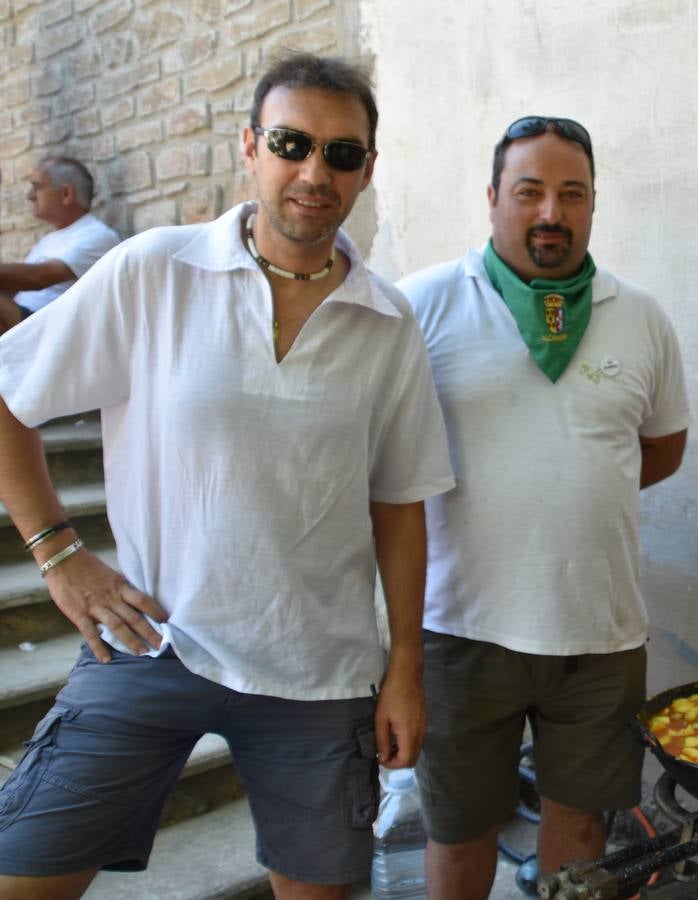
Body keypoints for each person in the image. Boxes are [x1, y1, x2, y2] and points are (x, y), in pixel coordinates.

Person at [0, 52, 456, 899]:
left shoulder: (388, 322)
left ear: (366, 170)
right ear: (251, 147)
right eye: (292, 142)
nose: (315, 172)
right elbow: (8, 396)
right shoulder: (153, 270)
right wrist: (61, 557)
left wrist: (405, 670)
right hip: (153, 642)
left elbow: (398, 505)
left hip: (318, 674)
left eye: (342, 153)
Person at [398, 116, 690, 900]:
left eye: (572, 194)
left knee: (583, 835)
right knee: (461, 835)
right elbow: (380, 462)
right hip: (461, 629)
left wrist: (568, 490)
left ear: (595, 204)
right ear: (493, 199)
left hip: (598, 635)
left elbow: (660, 448)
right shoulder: (421, 305)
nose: (551, 212)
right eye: (529, 192)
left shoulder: (642, 317)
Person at [0, 157, 120, 331]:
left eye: (37, 187)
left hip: (50, 331)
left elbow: (39, 278)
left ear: (66, 194)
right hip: (25, 324)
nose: (30, 196)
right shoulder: (47, 241)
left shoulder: (97, 235)